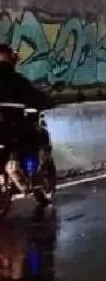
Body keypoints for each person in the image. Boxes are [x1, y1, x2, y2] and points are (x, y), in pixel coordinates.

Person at [0, 44, 53, 193]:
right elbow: (38, 98)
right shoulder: (16, 81)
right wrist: (48, 102)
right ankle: (33, 173)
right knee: (39, 135)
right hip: (13, 129)